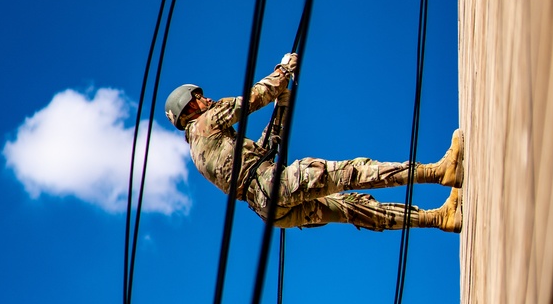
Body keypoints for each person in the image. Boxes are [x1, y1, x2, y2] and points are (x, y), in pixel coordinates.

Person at [164, 53, 463, 232]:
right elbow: (253, 98)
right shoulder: (206, 121)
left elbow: (264, 152)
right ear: (189, 109)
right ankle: (439, 172)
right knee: (353, 173)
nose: (207, 99)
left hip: (266, 207)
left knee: (352, 208)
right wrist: (282, 73)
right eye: (199, 98)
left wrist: (282, 104)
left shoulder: (199, 149)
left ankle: (438, 219)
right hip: (273, 185)